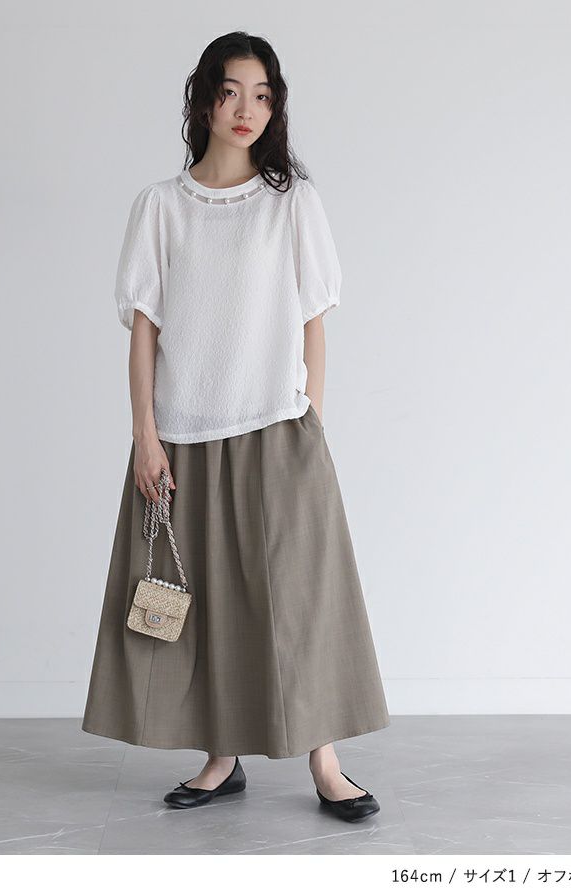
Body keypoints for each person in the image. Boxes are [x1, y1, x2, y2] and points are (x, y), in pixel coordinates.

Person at [82, 30, 390, 823]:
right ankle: (221, 757)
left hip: (277, 431)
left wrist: (311, 420)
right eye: (230, 92)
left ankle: (325, 761)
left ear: (275, 106)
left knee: (300, 601)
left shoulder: (292, 204)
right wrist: (145, 436)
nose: (245, 109)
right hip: (183, 438)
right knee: (207, 605)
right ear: (203, 101)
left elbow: (315, 320)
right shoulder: (161, 207)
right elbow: (144, 331)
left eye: (261, 95)